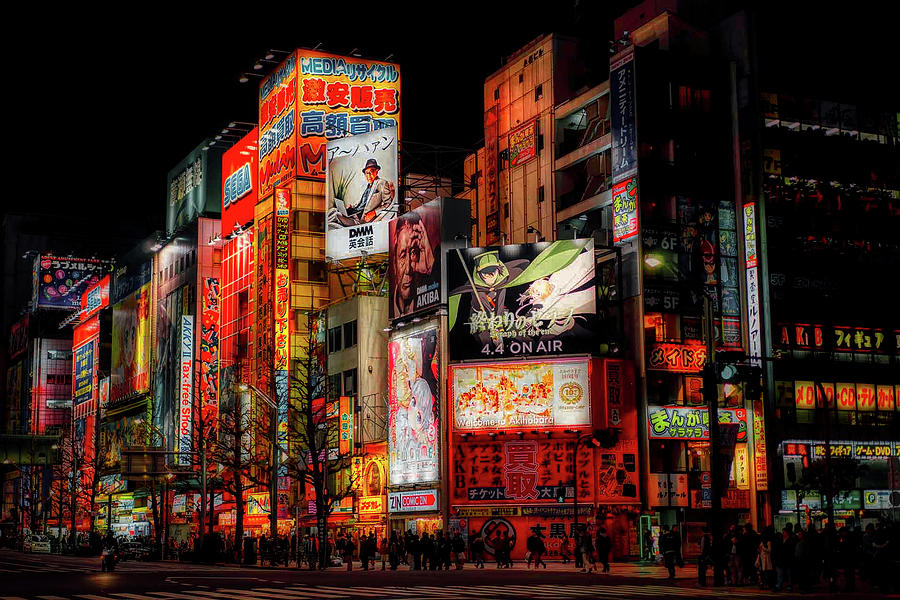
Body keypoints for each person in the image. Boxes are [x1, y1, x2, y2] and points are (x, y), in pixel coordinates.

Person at [390, 211, 435, 318]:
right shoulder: (385, 312)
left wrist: (430, 265)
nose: (408, 269)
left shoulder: (429, 299)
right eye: (402, 255)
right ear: (394, 262)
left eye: (414, 253)